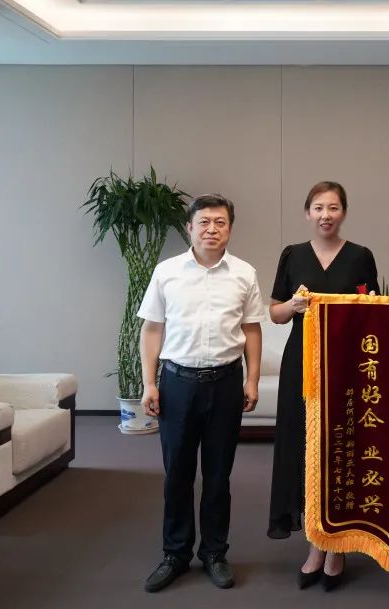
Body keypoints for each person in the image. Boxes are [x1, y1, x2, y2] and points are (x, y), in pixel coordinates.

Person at [138, 194, 264, 593]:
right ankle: (175, 554)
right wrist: (150, 382)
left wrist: (252, 380)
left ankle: (214, 552)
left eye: (220, 222)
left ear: (230, 229)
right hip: (177, 384)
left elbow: (252, 330)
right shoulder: (167, 272)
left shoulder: (244, 273)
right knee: (177, 473)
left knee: (218, 475)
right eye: (204, 222)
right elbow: (152, 329)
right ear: (189, 227)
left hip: (225, 384)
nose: (212, 229)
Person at [267, 181, 378, 592]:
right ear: (307, 212)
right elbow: (275, 313)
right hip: (302, 361)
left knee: (341, 448)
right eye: (318, 207)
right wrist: (293, 305)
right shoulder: (292, 255)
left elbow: (372, 311)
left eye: (333, 207)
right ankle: (315, 544)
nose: (325, 215)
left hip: (347, 363)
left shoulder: (361, 256)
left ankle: (337, 546)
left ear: (343, 212)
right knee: (304, 448)